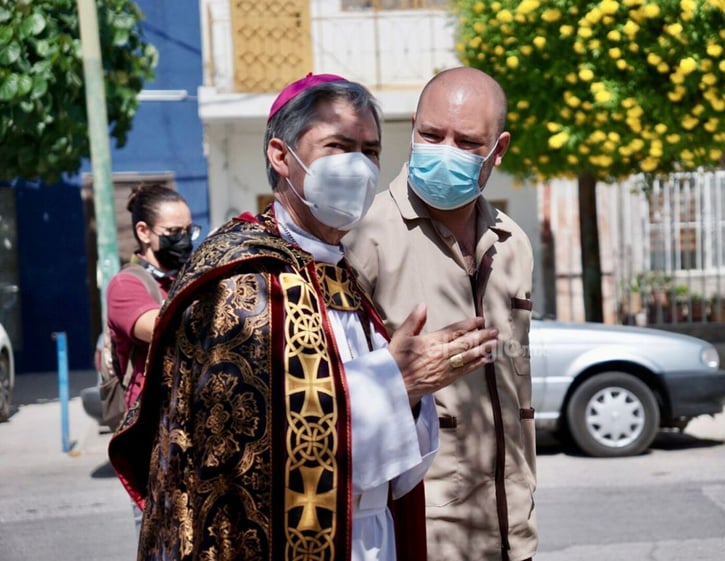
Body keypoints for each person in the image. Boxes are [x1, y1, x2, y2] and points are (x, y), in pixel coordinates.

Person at [108, 73, 498, 561]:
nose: (358, 166)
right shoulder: (239, 278)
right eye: (338, 145)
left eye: (370, 151)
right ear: (280, 156)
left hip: (373, 533)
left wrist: (411, 392)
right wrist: (393, 383)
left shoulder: (340, 274)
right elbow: (238, 448)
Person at [344, 67, 537, 561]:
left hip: (511, 532)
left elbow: (517, 391)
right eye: (431, 135)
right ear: (412, 128)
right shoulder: (361, 237)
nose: (444, 151)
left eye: (467, 141)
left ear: (499, 149)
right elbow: (330, 393)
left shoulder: (513, 244)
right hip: (419, 537)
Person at [105, 183, 199, 532]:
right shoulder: (127, 286)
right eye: (174, 232)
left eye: (190, 231)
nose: (185, 240)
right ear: (143, 232)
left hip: (191, 432)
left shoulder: (185, 276)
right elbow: (160, 327)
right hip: (153, 441)